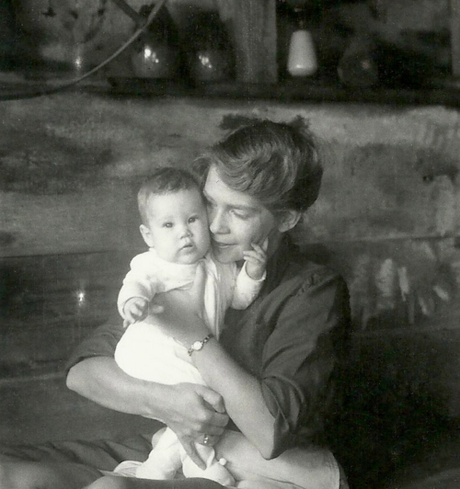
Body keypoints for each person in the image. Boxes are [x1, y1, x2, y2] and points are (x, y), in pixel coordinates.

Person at [0, 117, 351, 489]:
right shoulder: (185, 264)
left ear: (285, 218)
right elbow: (83, 373)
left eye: (240, 212)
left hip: (265, 468)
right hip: (173, 444)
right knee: (11, 476)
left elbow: (268, 433)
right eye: (210, 204)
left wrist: (195, 337)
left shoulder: (312, 291)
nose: (214, 226)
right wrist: (167, 402)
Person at [112, 167, 266, 485]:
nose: (184, 232)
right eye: (169, 225)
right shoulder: (156, 263)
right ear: (148, 236)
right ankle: (205, 467)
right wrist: (133, 302)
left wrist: (252, 272)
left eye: (192, 219)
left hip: (187, 355)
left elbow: (238, 299)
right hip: (149, 352)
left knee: (199, 403)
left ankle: (155, 470)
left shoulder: (220, 266)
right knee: (205, 399)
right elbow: (136, 283)